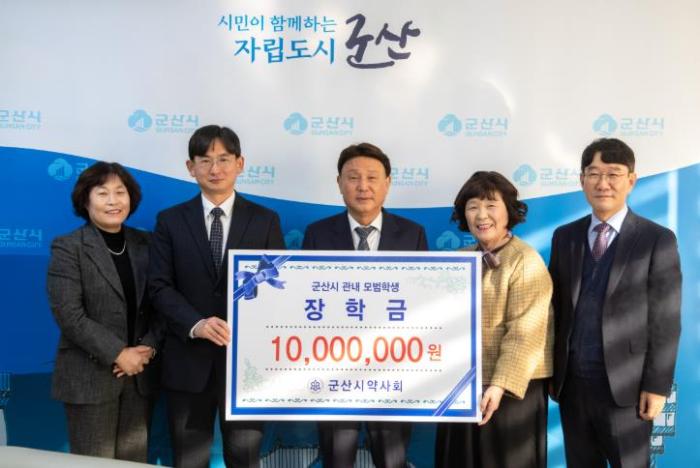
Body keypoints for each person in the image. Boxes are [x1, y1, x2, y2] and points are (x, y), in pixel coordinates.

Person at [149, 125, 285, 468]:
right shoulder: (170, 221)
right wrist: (196, 323)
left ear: (240, 164)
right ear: (190, 167)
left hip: (245, 367)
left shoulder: (265, 221)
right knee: (188, 459)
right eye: (205, 160)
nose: (215, 168)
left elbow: (277, 287)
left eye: (224, 159)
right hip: (187, 362)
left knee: (245, 459)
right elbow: (159, 286)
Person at [549, 138, 681, 468]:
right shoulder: (565, 237)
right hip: (573, 386)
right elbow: (555, 309)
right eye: (594, 174)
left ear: (631, 180)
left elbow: (665, 321)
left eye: (613, 174)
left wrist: (656, 387)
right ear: (582, 180)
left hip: (627, 389)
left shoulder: (656, 239)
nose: (603, 183)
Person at [302, 142, 428, 468]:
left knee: (392, 460)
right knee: (336, 459)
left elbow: (423, 304)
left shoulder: (412, 235)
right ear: (339, 183)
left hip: (393, 372)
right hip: (334, 372)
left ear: (387, 183)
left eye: (372, 177)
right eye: (353, 177)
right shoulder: (317, 235)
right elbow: (305, 302)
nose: (363, 186)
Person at [435, 171, 553, 468]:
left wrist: (499, 386)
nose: (481, 215)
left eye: (491, 205)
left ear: (508, 211)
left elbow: (525, 333)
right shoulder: (459, 258)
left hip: (511, 393)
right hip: (462, 388)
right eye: (472, 207)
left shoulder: (525, 260)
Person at [47, 162, 162, 462]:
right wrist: (118, 353)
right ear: (85, 201)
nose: (113, 201)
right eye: (102, 193)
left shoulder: (148, 244)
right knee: (93, 463)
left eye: (120, 192)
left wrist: (147, 349)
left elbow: (163, 303)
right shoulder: (68, 247)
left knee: (134, 463)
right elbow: (69, 314)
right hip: (90, 377)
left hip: (140, 375)